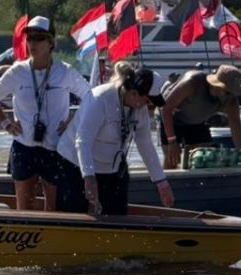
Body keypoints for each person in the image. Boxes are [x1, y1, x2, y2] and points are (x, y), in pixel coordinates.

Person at [0, 16, 90, 211]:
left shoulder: (64, 72)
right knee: (24, 207)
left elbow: (90, 96)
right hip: (24, 146)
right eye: (30, 38)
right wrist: (6, 124)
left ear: (51, 43)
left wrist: (72, 122)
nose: (32, 43)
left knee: (53, 209)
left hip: (55, 147)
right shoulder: (17, 71)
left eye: (38, 38)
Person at [56, 63, 173, 216]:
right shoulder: (100, 98)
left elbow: (146, 146)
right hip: (75, 163)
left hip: (112, 166)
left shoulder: (140, 109)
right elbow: (83, 141)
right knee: (77, 214)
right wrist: (89, 178)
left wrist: (162, 183)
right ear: (134, 94)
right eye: (149, 102)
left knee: (117, 214)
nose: (150, 108)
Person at [160, 64, 241, 170]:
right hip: (171, 118)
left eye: (233, 92)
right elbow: (166, 109)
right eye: (228, 92)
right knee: (172, 159)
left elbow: (237, 130)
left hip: (197, 121)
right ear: (216, 85)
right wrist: (172, 141)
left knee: (202, 157)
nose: (231, 96)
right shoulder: (193, 82)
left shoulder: (230, 101)